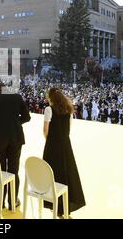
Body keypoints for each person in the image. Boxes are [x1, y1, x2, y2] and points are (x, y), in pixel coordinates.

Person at [0, 83, 31, 210]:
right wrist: (15, 123)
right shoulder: (17, 97)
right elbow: (27, 117)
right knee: (14, 170)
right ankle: (13, 201)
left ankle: (0, 200)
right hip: (16, 137)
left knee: (1, 170)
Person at [42, 87, 85, 217]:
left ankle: (53, 203)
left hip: (52, 145)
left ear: (51, 98)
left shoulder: (49, 110)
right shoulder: (69, 110)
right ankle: (64, 206)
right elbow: (68, 129)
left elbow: (45, 130)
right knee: (66, 174)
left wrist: (50, 141)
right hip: (66, 145)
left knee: (52, 174)